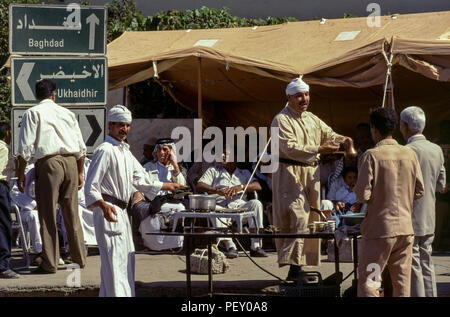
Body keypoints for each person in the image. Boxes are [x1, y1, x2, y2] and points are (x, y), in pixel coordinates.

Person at [84, 105, 185, 297]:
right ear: (111, 125)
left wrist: (166, 185)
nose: (124, 129)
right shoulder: (105, 150)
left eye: (128, 125)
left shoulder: (124, 151)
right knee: (114, 263)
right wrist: (102, 205)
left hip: (121, 211)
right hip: (109, 210)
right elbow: (91, 186)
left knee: (125, 261)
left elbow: (141, 178)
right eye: (120, 125)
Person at [270, 77, 351, 280]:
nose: (304, 99)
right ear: (289, 97)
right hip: (290, 175)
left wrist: (344, 140)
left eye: (306, 94)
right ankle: (294, 269)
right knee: (297, 217)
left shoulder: (311, 118)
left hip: (311, 174)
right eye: (299, 95)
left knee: (312, 218)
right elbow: (289, 148)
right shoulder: (281, 120)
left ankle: (300, 267)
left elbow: (329, 134)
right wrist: (319, 149)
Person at [16, 79, 87, 274]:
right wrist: (80, 172)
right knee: (71, 213)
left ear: (36, 95)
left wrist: (21, 173)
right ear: (54, 95)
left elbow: (25, 149)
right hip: (71, 163)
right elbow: (81, 148)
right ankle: (79, 258)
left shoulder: (33, 113)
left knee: (47, 215)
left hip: (49, 164)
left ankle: (50, 262)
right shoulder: (68, 113)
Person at [354, 107, 424, 297]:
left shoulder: (371, 155)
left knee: (371, 282)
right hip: (405, 229)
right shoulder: (410, 154)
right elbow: (420, 190)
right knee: (402, 284)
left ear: (374, 129)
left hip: (380, 231)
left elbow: (362, 195)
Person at [399, 106, 446, 297]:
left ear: (405, 126)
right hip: (429, 214)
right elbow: (441, 184)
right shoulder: (436, 150)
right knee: (426, 260)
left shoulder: (406, 151)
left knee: (414, 262)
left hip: (409, 215)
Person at [196, 145, 268, 258]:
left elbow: (258, 186)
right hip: (221, 208)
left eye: (225, 153)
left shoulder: (244, 173)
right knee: (213, 208)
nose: (222, 156)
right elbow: (200, 185)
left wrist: (241, 187)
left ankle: (256, 245)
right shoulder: (213, 170)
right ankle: (230, 246)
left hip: (240, 208)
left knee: (256, 203)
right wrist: (217, 190)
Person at [133, 138, 187, 251]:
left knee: (181, 209)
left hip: (173, 202)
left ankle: (174, 246)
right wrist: (137, 193)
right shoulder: (148, 167)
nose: (161, 153)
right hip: (152, 202)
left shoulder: (179, 168)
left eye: (165, 150)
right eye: (159, 150)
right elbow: (138, 183)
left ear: (172, 152)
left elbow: (182, 189)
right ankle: (151, 245)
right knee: (143, 209)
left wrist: (175, 166)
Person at [0, 122, 20, 279]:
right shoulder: (3, 148)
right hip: (1, 187)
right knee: (4, 226)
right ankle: (3, 266)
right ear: (7, 133)